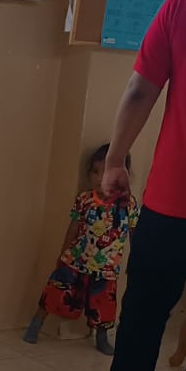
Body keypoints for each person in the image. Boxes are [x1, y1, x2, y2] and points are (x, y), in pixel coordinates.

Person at [72, 0, 186, 371]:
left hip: (175, 197)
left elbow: (141, 89)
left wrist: (115, 161)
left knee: (145, 314)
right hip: (174, 197)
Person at [24, 144, 137, 356]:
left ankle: (101, 337)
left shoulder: (128, 205)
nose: (99, 178)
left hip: (107, 267)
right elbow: (74, 227)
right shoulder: (85, 200)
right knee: (56, 290)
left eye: (105, 172)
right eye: (95, 171)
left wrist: (137, 260)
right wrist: (63, 252)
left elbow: (133, 231)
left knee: (103, 304)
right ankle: (37, 322)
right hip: (76, 260)